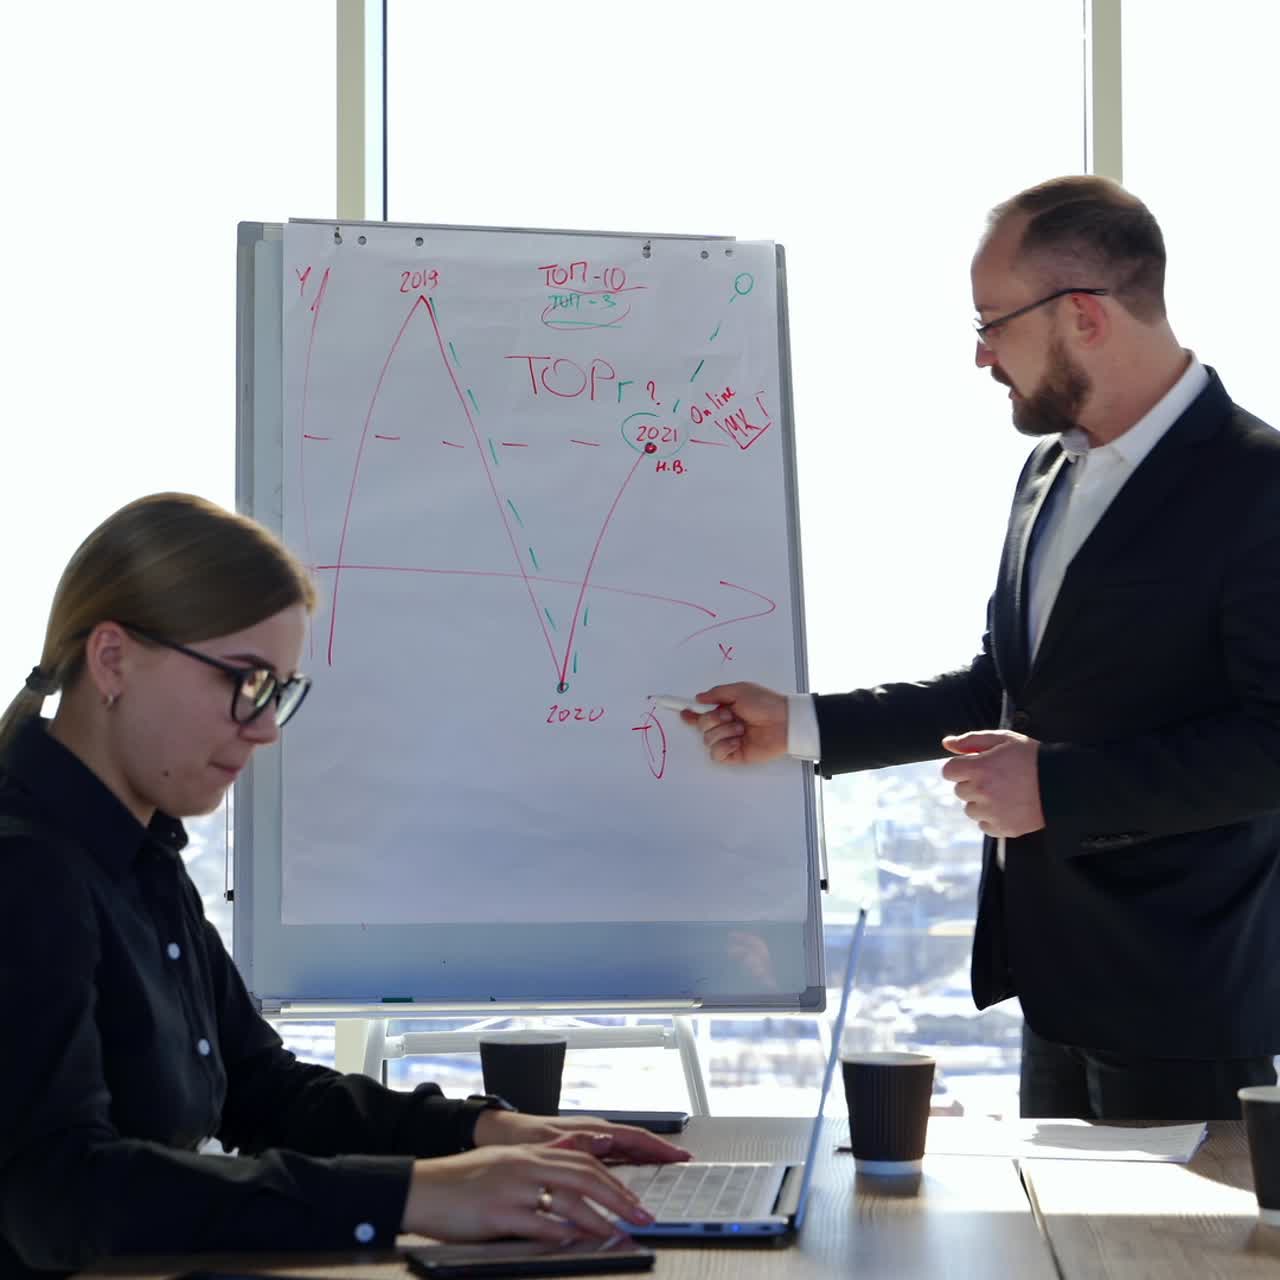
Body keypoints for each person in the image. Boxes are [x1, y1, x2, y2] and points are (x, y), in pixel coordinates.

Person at [684, 175, 1280, 1121]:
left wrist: (1058, 787)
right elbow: (1003, 688)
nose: (981, 356)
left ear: (1083, 315)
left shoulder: (1260, 485)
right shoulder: (1047, 471)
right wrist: (797, 725)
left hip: (1186, 996)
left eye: (993, 323)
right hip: (1052, 982)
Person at [0, 493, 687, 1276]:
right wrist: (413, 1197)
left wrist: (482, 1135)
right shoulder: (26, 871)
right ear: (113, 659)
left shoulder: (136, 854)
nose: (263, 729)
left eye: (279, 694)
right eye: (246, 682)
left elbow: (260, 1092)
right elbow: (58, 1195)